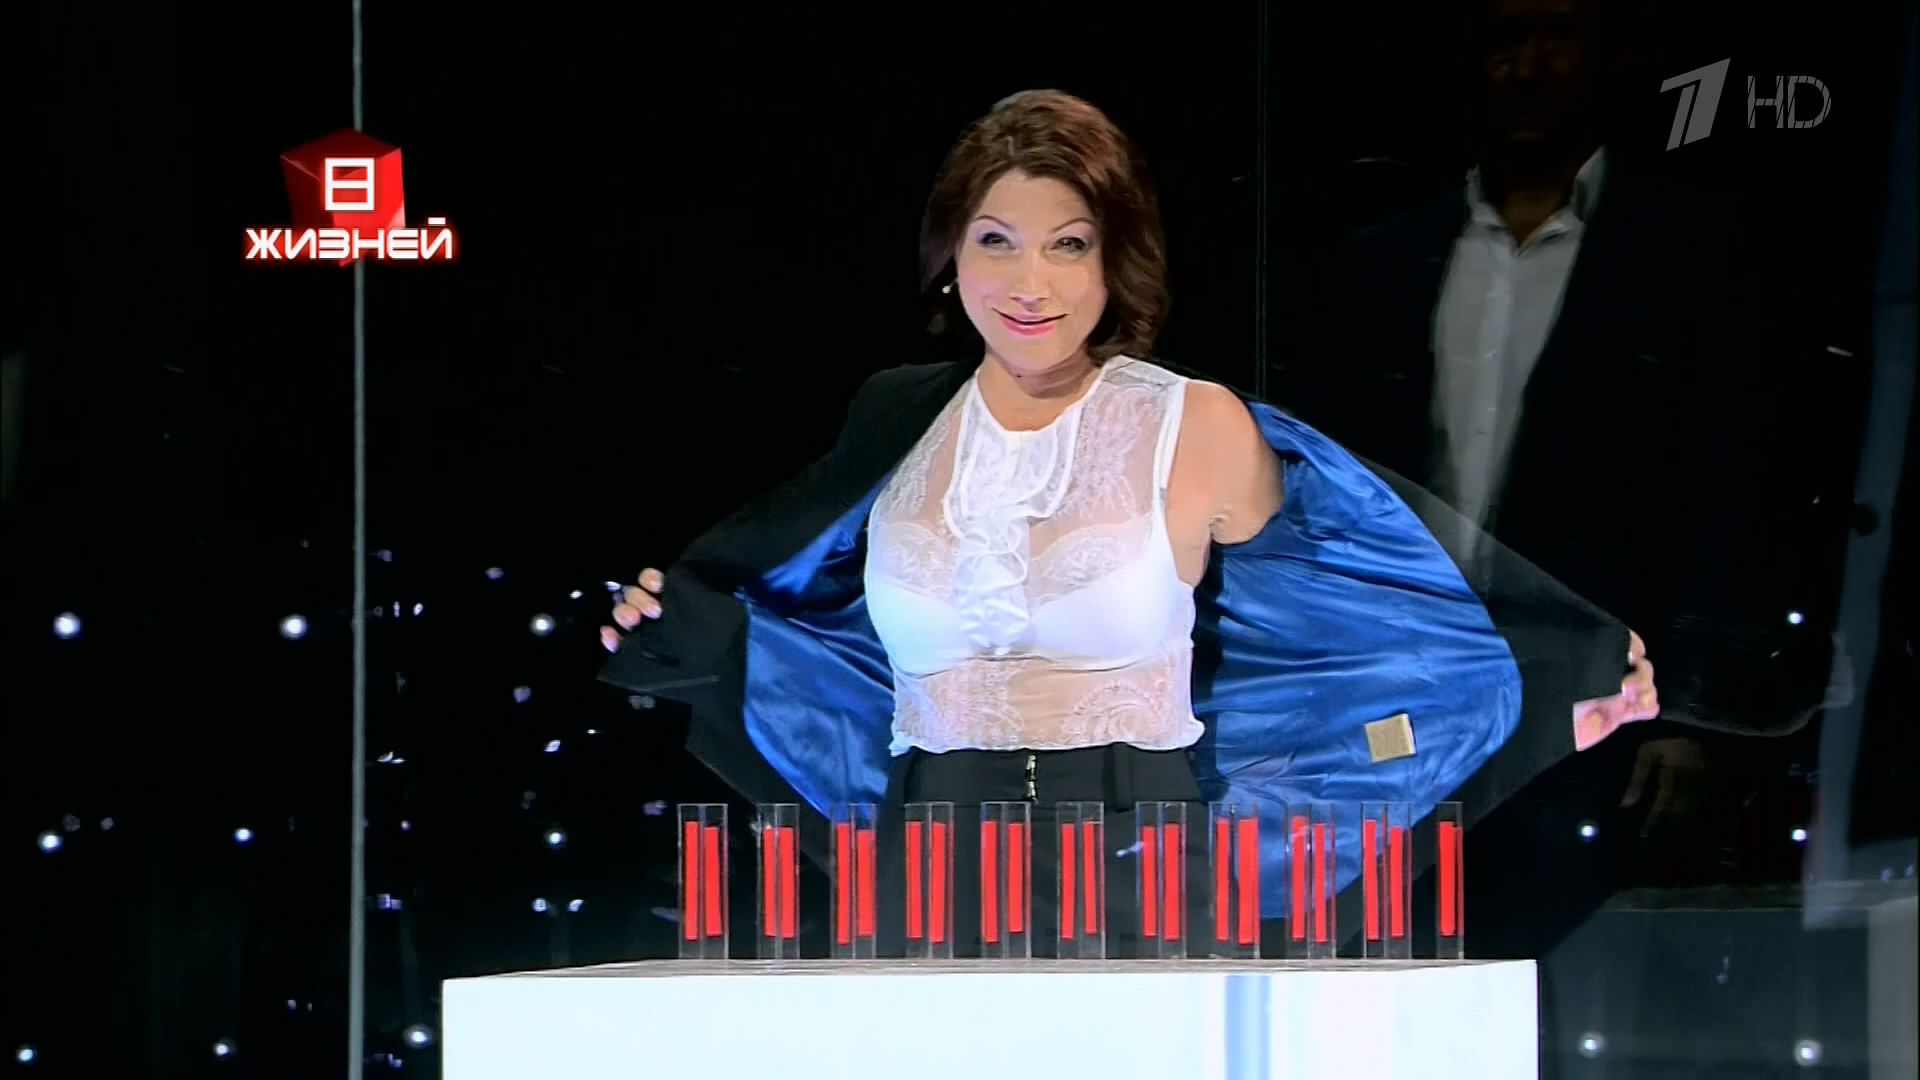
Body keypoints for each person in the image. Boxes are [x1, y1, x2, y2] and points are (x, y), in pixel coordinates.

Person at [601, 89, 1653, 957]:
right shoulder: (896, 420)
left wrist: (1562, 660)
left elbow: (1359, 597)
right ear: (950, 254)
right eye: (997, 241)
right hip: (926, 860)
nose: (1031, 283)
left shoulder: (1194, 423)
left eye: (1069, 244)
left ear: (1115, 259)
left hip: (1143, 865)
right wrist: (682, 622)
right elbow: (792, 602)